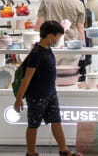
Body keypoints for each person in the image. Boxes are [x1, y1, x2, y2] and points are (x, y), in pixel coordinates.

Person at [14, 20, 81, 156]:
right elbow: (26, 78)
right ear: (50, 36)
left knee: (56, 121)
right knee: (33, 125)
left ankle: (64, 150)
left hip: (50, 94)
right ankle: (31, 152)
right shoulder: (36, 53)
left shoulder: (47, 49)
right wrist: (19, 99)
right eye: (58, 37)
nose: (58, 40)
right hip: (37, 95)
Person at [35, 0, 85, 65]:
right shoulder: (79, 3)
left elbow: (39, 24)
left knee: (50, 76)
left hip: (51, 45)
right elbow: (80, 28)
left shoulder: (47, 0)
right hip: (71, 46)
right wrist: (82, 50)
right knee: (68, 76)